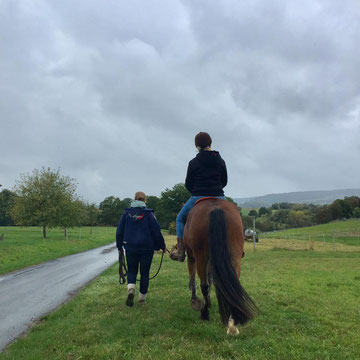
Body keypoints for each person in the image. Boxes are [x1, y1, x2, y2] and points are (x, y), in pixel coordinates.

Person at [170, 132, 228, 262]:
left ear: (197, 146)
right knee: (234, 215)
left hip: (198, 196)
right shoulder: (220, 160)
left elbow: (188, 183)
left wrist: (196, 191)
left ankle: (180, 251)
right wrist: (216, 190)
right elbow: (224, 180)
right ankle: (238, 248)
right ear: (210, 143)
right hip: (219, 196)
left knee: (179, 219)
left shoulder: (194, 162)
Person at [116, 191, 166, 306]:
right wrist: (162, 246)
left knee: (132, 270)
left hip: (130, 247)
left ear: (134, 200)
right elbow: (156, 231)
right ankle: (141, 299)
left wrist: (120, 247)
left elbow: (119, 231)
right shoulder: (149, 214)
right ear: (145, 200)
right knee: (144, 273)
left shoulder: (126, 213)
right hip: (147, 248)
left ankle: (131, 289)